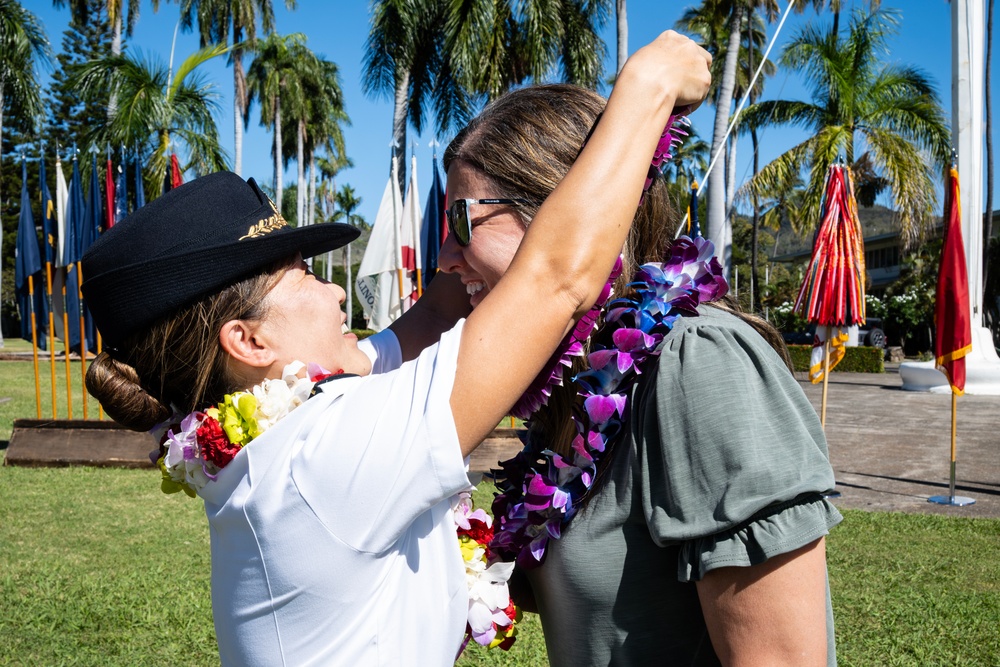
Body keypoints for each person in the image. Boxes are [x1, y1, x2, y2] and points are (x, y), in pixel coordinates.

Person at [79, 31, 712, 666]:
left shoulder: (280, 427)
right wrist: (647, 87)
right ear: (248, 340)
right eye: (301, 274)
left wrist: (476, 222)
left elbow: (435, 313)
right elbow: (555, 281)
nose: (332, 289)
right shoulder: (325, 460)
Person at [437, 83, 842, 665]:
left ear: (567, 218)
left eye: (461, 220)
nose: (446, 257)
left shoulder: (700, 360)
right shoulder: (574, 383)